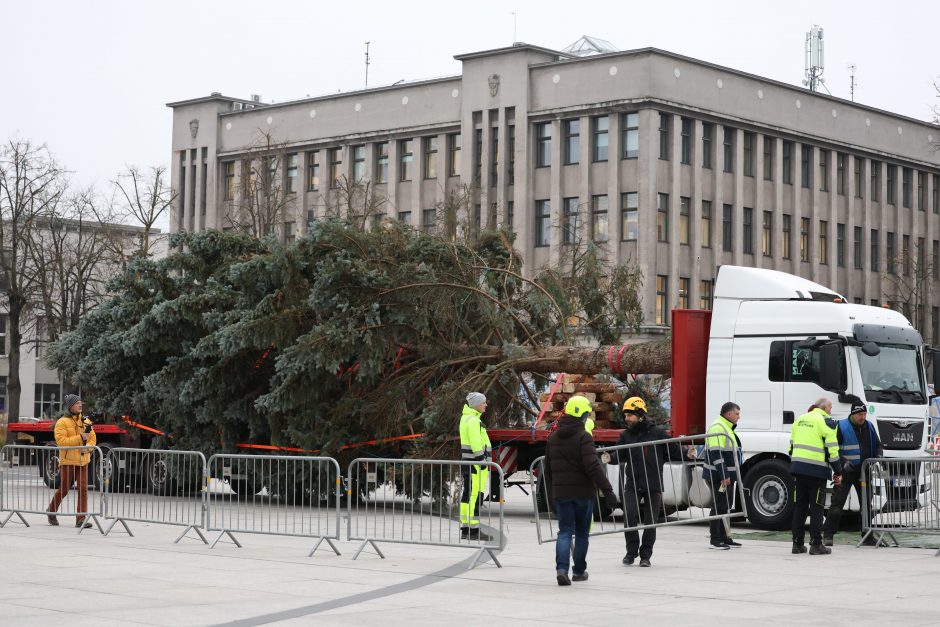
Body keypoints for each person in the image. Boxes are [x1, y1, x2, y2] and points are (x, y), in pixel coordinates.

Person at [606, 396, 689, 567]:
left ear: (640, 414)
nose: (626, 419)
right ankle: (631, 552)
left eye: (630, 415)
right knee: (629, 516)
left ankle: (645, 556)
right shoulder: (626, 435)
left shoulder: (657, 433)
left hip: (653, 484)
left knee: (651, 521)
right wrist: (610, 457)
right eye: (625, 415)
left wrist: (687, 453)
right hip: (632, 483)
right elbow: (619, 455)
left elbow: (673, 450)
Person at [544, 395, 617, 586]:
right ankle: (578, 571)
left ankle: (561, 569)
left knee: (564, 532)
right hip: (583, 494)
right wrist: (607, 491)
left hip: (561, 494)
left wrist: (552, 493)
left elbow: (548, 469)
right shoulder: (583, 436)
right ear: (583, 415)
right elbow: (593, 467)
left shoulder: (553, 437)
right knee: (582, 534)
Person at [823, 395, 883, 546]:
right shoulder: (841, 427)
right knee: (837, 504)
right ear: (852, 414)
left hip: (864, 471)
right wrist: (842, 463)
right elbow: (832, 449)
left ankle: (867, 536)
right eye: (860, 415)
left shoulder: (869, 426)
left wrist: (878, 457)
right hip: (846, 472)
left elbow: (877, 445)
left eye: (864, 414)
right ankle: (828, 535)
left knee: (866, 505)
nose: (863, 417)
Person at [790, 396, 842, 555]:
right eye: (830, 408)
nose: (831, 411)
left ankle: (797, 544)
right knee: (817, 508)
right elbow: (832, 449)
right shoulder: (827, 422)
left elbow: (791, 446)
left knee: (799, 508)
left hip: (798, 469)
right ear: (825, 408)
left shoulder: (800, 419)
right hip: (816, 471)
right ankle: (816, 544)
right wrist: (838, 471)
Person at [47, 394, 96, 529]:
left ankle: (81, 519)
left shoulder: (86, 421)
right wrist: (80, 438)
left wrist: (87, 449)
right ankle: (51, 511)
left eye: (81, 403)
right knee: (64, 489)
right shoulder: (62, 422)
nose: (80, 405)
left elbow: (92, 439)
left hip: (83, 461)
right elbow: (62, 442)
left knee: (83, 489)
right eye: (77, 403)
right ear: (70, 406)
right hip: (68, 461)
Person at [703, 401, 744, 549]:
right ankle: (715, 540)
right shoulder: (718, 427)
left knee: (724, 506)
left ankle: (725, 538)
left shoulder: (726, 427)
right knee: (718, 506)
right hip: (719, 476)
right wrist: (724, 475)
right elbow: (716, 454)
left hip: (726, 476)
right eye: (737, 413)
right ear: (729, 414)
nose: (739, 417)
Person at [459, 392, 492, 541]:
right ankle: (473, 530)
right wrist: (482, 461)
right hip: (476, 464)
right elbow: (475, 443)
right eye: (484, 402)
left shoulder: (466, 418)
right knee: (475, 496)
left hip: (469, 463)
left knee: (468, 495)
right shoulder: (473, 421)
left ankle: (466, 528)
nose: (486, 405)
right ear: (476, 404)